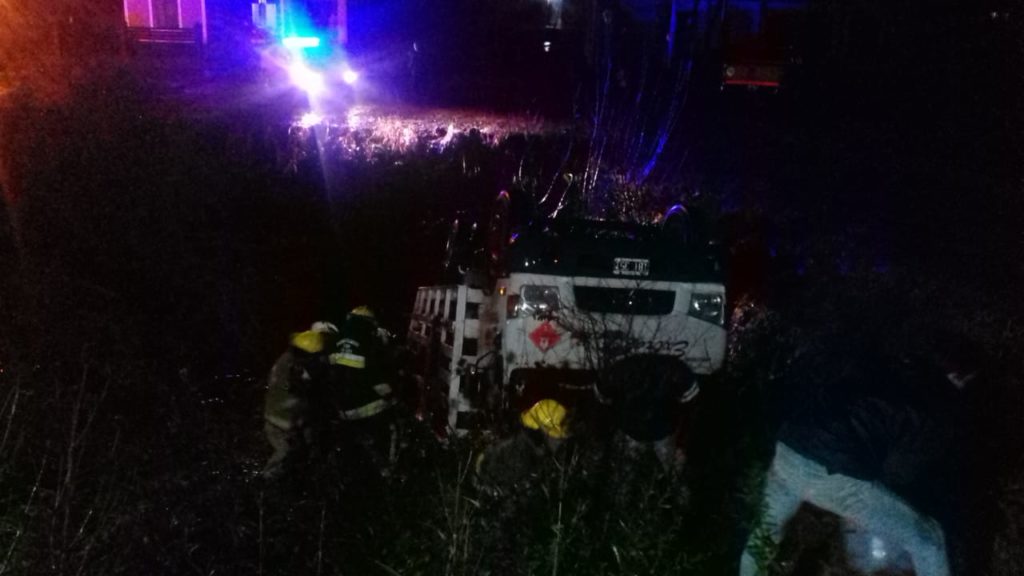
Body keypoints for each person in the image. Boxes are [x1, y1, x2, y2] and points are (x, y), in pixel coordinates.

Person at [737, 341, 981, 576]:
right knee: (928, 539)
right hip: (832, 470)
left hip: (790, 445)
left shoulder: (893, 366)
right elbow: (899, 472)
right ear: (960, 378)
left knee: (764, 534)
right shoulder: (934, 410)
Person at [326, 306, 399, 477]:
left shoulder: (335, 340)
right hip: (369, 407)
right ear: (369, 323)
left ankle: (351, 475)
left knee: (354, 450)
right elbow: (375, 376)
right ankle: (387, 474)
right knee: (388, 434)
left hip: (343, 409)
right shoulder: (368, 341)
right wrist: (393, 397)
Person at [596, 355, 698, 472]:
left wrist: (681, 443)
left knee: (673, 469)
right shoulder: (617, 369)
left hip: (663, 433)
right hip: (632, 432)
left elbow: (690, 407)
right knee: (624, 470)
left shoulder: (676, 370)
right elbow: (601, 401)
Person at [261, 322, 337, 479]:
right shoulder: (296, 369)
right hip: (285, 420)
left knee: (294, 452)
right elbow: (308, 393)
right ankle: (268, 482)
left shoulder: (287, 359)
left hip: (281, 417)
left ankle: (291, 479)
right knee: (286, 453)